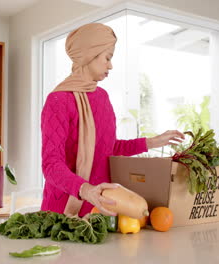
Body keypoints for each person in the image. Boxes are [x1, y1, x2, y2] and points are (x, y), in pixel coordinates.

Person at [41, 23, 185, 217]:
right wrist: (86, 190)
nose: (110, 65)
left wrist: (151, 142)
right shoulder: (58, 100)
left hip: (103, 209)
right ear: (89, 56)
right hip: (63, 211)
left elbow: (108, 148)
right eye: (107, 58)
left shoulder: (102, 97)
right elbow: (51, 164)